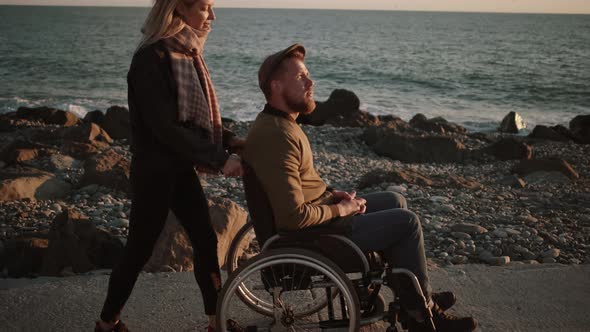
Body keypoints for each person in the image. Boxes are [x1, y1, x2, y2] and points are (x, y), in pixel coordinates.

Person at [243, 44, 478, 332]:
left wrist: (332, 195)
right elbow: (293, 217)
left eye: (308, 75)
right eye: (301, 77)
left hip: (319, 227)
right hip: (313, 239)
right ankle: (421, 314)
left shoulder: (281, 125)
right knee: (407, 224)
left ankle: (412, 296)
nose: (311, 82)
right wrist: (339, 208)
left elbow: (300, 186)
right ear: (276, 86)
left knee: (394, 199)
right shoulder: (277, 136)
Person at [95, 1, 244, 331]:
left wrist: (229, 140)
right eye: (206, 7)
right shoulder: (151, 58)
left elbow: (195, 118)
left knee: (205, 240)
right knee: (139, 250)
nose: (213, 16)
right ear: (179, 8)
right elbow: (166, 127)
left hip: (180, 168)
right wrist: (220, 159)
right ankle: (107, 324)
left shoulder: (186, 53)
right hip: (155, 172)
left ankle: (215, 321)